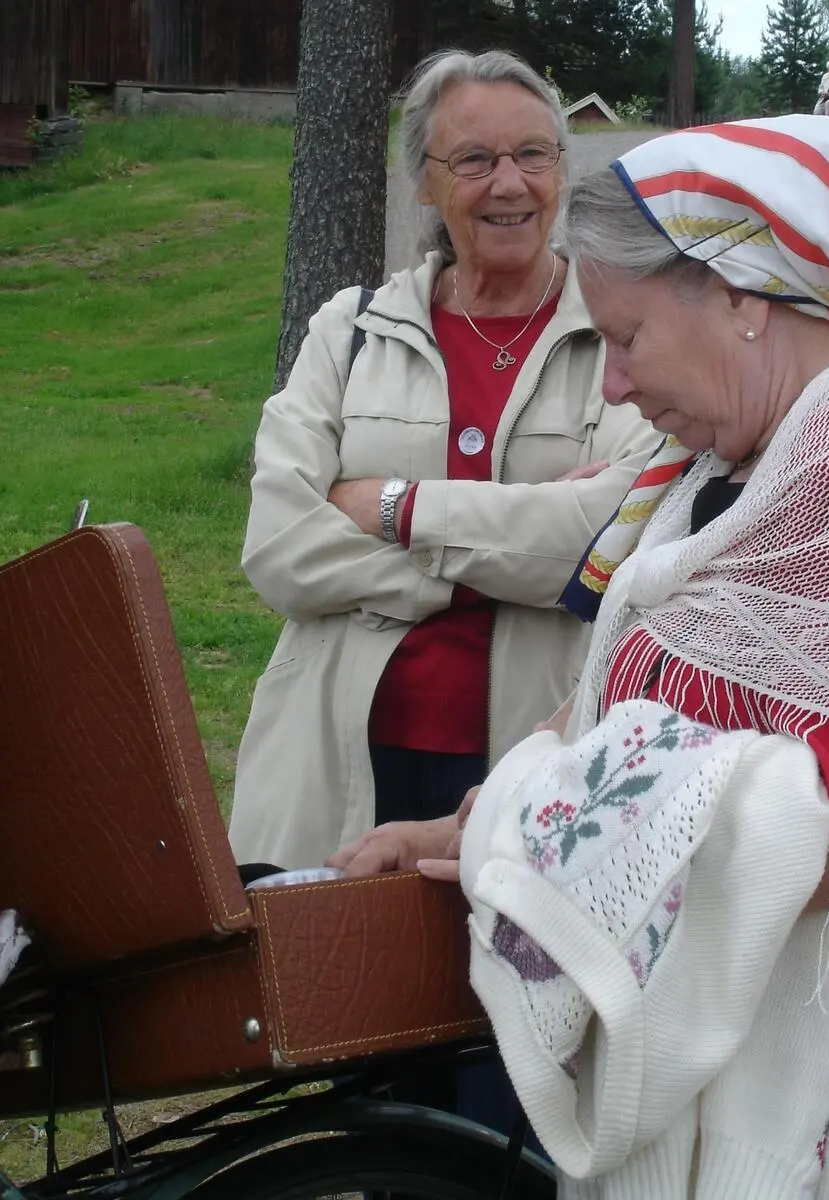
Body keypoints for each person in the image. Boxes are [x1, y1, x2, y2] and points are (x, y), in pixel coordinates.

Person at [337, 116, 829, 1198]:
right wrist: (458, 831)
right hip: (767, 1058)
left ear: (741, 296)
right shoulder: (716, 478)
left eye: (626, 337)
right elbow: (607, 726)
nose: (613, 388)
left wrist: (541, 868)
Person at [227, 49, 657, 872]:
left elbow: (611, 541)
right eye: (474, 159)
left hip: (538, 757)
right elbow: (278, 548)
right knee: (330, 988)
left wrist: (393, 509)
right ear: (424, 180)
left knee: (504, 995)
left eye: (534, 154)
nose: (510, 183)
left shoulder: (620, 337)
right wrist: (494, 566)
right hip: (332, 755)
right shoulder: (348, 334)